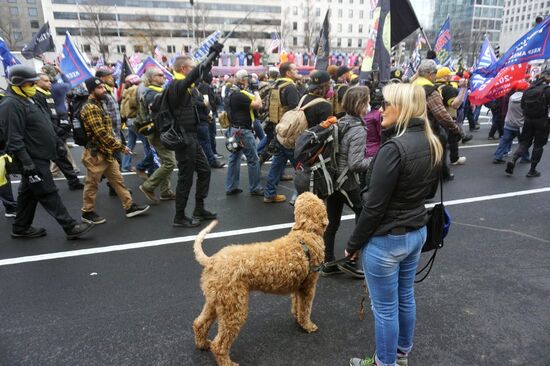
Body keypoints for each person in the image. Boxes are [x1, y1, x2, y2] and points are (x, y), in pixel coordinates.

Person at [347, 83, 443, 366]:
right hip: (416, 232)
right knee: (405, 296)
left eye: (385, 103)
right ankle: (401, 355)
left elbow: (373, 207)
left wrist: (353, 245)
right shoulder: (432, 141)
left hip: (387, 239)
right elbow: (428, 192)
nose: (380, 109)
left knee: (386, 309)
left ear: (401, 108)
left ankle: (384, 363)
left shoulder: (393, 149)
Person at [1, 65, 94, 239]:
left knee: (28, 193)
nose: (33, 86)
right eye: (30, 83)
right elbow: (13, 137)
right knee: (48, 191)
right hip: (32, 158)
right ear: (18, 83)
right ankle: (70, 226)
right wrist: (27, 162)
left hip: (40, 154)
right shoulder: (11, 104)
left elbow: (41, 122)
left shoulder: (28, 98)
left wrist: (56, 139)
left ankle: (20, 227)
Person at [79, 77, 150, 224]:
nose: (103, 90)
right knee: (92, 184)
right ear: (91, 90)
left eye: (103, 87)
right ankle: (87, 212)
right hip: (95, 154)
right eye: (99, 88)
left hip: (106, 152)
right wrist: (120, 147)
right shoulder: (90, 108)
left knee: (118, 181)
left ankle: (129, 207)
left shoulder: (99, 104)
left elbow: (107, 130)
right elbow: (101, 133)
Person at [321, 86, 371, 279]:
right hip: (347, 181)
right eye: (367, 101)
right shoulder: (358, 129)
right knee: (363, 212)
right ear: (361, 104)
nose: (370, 104)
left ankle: (327, 262)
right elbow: (356, 163)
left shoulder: (340, 121)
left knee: (332, 221)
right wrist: (376, 159)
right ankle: (351, 260)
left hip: (332, 178)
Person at [168, 50, 221, 227]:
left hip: (191, 137)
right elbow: (194, 76)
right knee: (186, 178)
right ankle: (179, 216)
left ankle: (199, 208)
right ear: (184, 69)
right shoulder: (177, 84)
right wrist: (211, 54)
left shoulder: (186, 86)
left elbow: (200, 75)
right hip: (184, 139)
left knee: (205, 170)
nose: (194, 72)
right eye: (191, 68)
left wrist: (212, 59)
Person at [34, 72, 84, 190]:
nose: (49, 82)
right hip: (46, 132)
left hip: (53, 130)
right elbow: (43, 117)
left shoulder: (47, 93)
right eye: (45, 81)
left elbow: (52, 113)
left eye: (49, 80)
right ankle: (42, 186)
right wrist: (57, 129)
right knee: (43, 162)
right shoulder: (36, 95)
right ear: (37, 82)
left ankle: (73, 181)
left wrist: (61, 124)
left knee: (61, 156)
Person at [413, 60, 461, 181]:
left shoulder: (412, 85)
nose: (435, 76)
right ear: (430, 74)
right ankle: (442, 174)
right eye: (435, 73)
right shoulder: (430, 90)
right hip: (429, 127)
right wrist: (455, 129)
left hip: (412, 126)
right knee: (441, 144)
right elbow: (442, 114)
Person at [138, 67, 177, 203]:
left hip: (162, 131)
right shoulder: (151, 94)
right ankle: (148, 186)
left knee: (166, 162)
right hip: (158, 132)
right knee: (170, 163)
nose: (163, 77)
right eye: (160, 75)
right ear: (151, 78)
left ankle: (166, 192)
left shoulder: (158, 92)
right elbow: (158, 115)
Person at [225, 69, 264, 196]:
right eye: (247, 80)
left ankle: (231, 187)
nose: (249, 82)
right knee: (253, 159)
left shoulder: (232, 91)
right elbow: (258, 104)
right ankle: (255, 187)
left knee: (234, 158)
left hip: (235, 129)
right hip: (243, 131)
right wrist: (256, 90)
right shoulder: (239, 95)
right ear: (242, 80)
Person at [506, 70, 550, 177]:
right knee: (538, 146)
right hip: (542, 120)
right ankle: (532, 170)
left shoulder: (529, 88)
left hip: (528, 120)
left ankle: (513, 159)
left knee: (525, 143)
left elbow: (522, 106)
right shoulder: (547, 90)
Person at [493, 80, 531, 164]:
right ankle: (525, 157)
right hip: (520, 125)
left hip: (509, 122)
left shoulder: (511, 97)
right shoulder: (525, 98)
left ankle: (497, 156)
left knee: (504, 141)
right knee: (523, 142)